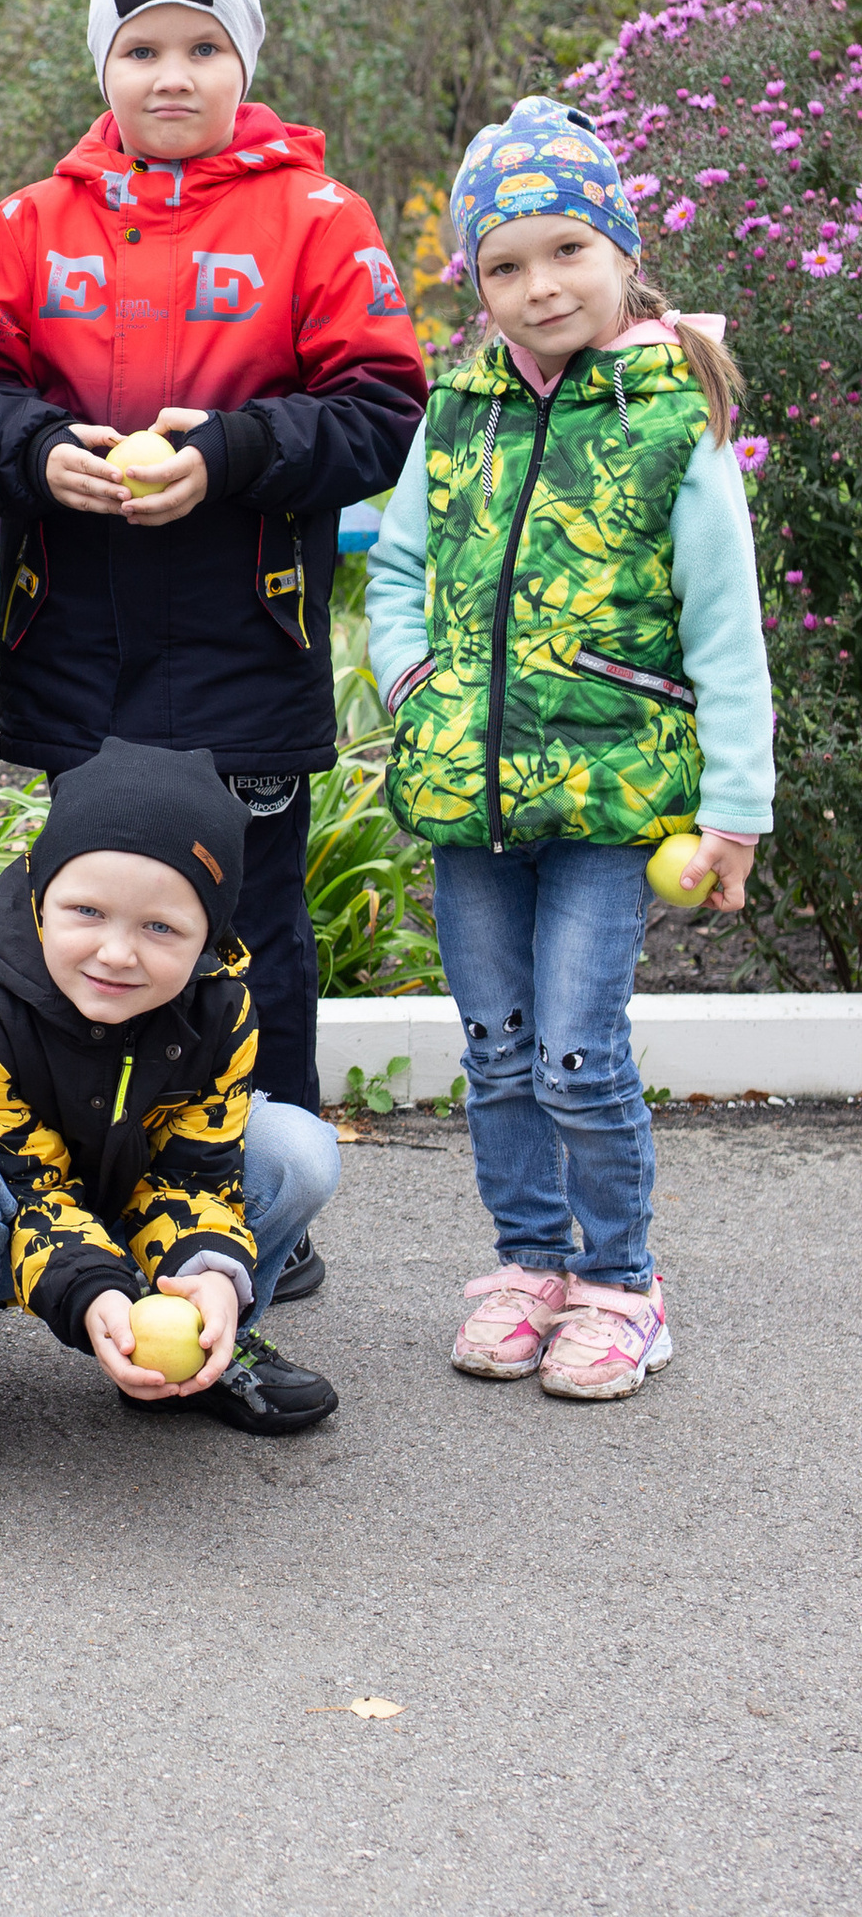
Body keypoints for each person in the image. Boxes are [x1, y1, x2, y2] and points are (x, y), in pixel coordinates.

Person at [0, 0, 428, 1296]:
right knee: (87, 931)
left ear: (247, 58)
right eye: (142, 47)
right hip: (78, 653)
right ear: (102, 65)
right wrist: (39, 454)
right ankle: (84, 1202)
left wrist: (224, 459)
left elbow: (380, 411)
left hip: (246, 653)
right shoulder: (26, 224)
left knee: (253, 943)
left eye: (204, 47)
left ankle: (257, 1224)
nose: (172, 75)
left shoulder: (318, 219)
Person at [369, 97, 772, 1402]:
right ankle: (530, 1263)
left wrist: (736, 815)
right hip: (466, 792)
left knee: (578, 1055)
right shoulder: (461, 404)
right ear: (475, 280)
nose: (538, 288)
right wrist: (414, 681)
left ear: (618, 250)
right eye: (504, 265)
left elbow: (726, 634)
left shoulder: (672, 418)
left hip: (609, 798)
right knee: (494, 1047)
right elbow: (397, 571)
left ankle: (621, 1283)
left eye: (565, 253)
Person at [0, 738, 344, 1487]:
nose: (116, 953)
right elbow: (29, 1193)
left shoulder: (222, 1007)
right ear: (41, 898)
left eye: (161, 929)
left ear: (207, 937)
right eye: (87, 911)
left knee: (300, 1147)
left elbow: (199, 1174)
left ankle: (209, 1341)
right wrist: (95, 1296)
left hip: (124, 1196)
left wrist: (207, 1267)